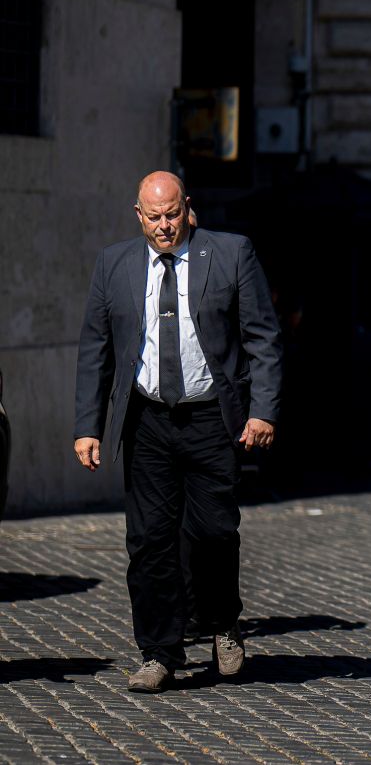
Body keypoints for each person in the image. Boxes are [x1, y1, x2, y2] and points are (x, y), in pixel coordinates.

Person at [73, 171, 282, 693]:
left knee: (213, 532)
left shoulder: (231, 254)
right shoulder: (114, 264)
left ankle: (222, 623)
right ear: (137, 214)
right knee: (148, 541)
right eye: (153, 216)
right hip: (146, 421)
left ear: (187, 208)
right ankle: (159, 652)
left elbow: (263, 337)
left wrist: (264, 411)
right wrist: (88, 426)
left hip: (212, 417)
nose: (164, 227)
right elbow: (95, 350)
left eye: (171, 215)